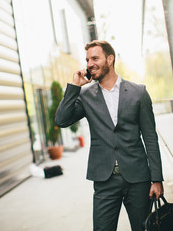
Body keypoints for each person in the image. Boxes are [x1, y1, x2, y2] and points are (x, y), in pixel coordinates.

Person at [55, 40, 164, 231]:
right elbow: (62, 120)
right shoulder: (86, 96)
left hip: (138, 179)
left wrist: (157, 179)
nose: (89, 64)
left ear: (110, 59)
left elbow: (150, 138)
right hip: (104, 180)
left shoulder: (138, 93)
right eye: (87, 60)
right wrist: (74, 86)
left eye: (95, 58)